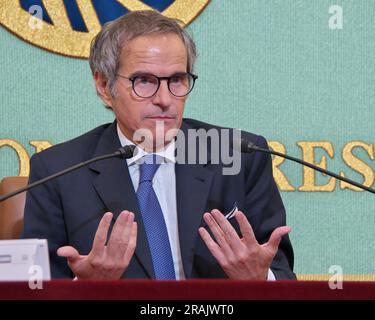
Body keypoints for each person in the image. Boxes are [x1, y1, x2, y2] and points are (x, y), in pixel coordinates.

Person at [22, 10, 295, 280]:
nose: (165, 99)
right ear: (104, 86)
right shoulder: (59, 171)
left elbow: (282, 275)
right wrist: (86, 289)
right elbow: (35, 287)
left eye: (176, 80)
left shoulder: (239, 156)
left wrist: (260, 281)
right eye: (144, 81)